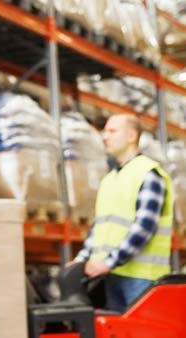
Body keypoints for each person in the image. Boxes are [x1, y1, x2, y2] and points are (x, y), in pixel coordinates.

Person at [69, 113, 174, 313]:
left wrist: (108, 262)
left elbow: (144, 227)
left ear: (131, 136)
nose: (104, 136)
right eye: (105, 131)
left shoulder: (148, 173)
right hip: (113, 275)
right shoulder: (110, 179)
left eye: (112, 131)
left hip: (142, 278)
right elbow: (100, 227)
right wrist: (82, 259)